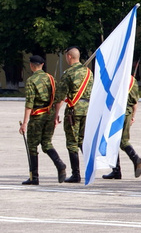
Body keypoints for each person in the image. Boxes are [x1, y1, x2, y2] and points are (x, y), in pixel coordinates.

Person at [19, 55, 67, 185]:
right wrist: (56, 115)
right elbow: (59, 98)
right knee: (46, 143)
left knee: (32, 146)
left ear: (31, 65)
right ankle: (60, 165)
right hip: (50, 115)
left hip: (38, 116)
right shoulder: (51, 79)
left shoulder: (31, 80)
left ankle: (34, 177)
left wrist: (24, 123)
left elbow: (29, 103)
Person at [54, 46, 93, 183]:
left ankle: (76, 174)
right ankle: (91, 168)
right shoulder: (89, 72)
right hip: (87, 110)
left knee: (72, 142)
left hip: (73, 111)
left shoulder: (68, 73)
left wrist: (55, 114)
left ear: (69, 56)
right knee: (83, 141)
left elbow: (60, 96)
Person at [102, 71, 141, 180]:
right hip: (127, 112)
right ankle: (117, 171)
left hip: (116, 113)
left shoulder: (115, 79)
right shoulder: (132, 80)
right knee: (120, 140)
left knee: (115, 141)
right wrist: (133, 116)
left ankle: (134, 159)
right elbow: (135, 101)